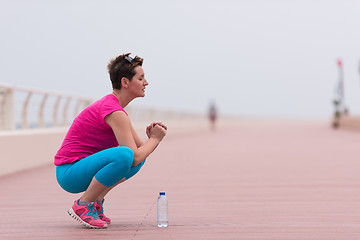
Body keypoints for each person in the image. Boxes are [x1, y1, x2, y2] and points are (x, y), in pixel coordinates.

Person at [54, 53, 167, 229]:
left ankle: (96, 201)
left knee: (133, 156)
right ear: (125, 82)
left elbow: (140, 152)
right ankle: (83, 205)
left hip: (80, 170)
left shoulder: (117, 109)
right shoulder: (114, 111)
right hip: (69, 173)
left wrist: (151, 138)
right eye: (141, 78)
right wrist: (155, 139)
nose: (146, 83)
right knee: (125, 155)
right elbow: (133, 155)